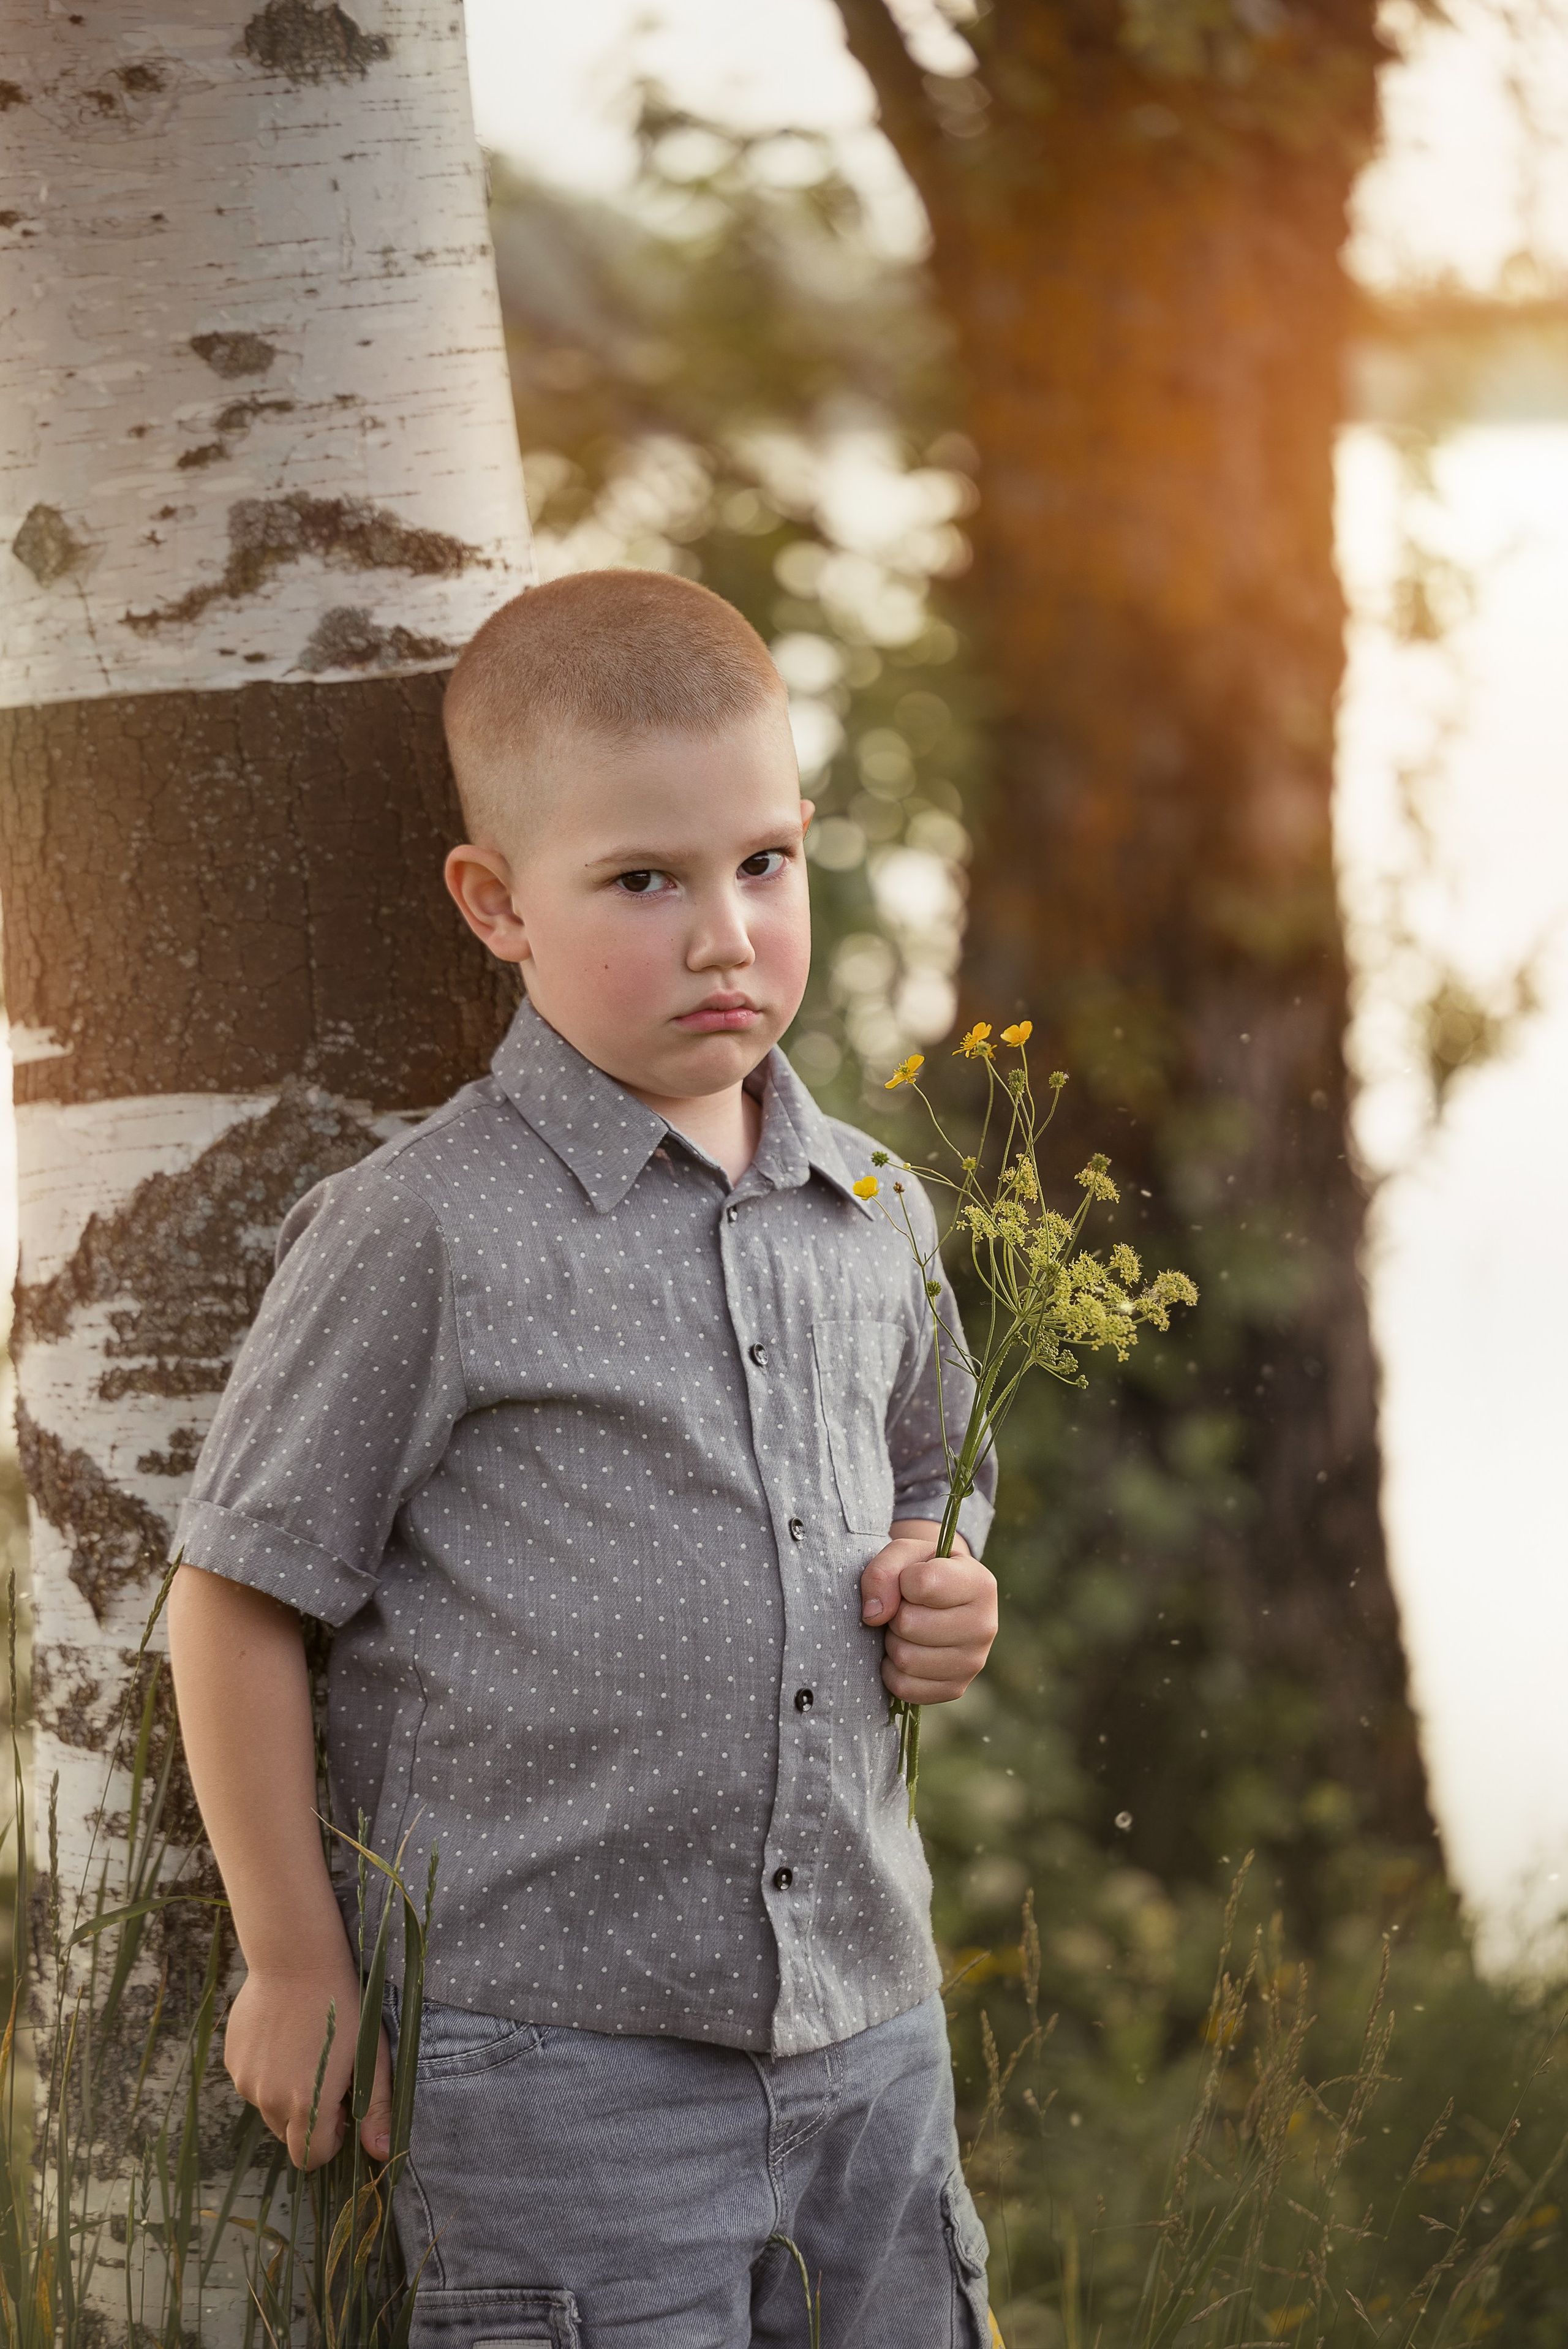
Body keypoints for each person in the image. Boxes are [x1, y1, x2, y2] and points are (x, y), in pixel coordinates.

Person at [167, 568, 1001, 2348]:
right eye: (644, 880)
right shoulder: (425, 1231)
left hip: (871, 2032)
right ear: (498, 904)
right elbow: (234, 1598)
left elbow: (934, 1468)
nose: (726, 936)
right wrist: (296, 1955)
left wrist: (939, 1580)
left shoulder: (875, 1207)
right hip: (554, 2068)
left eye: (762, 862)